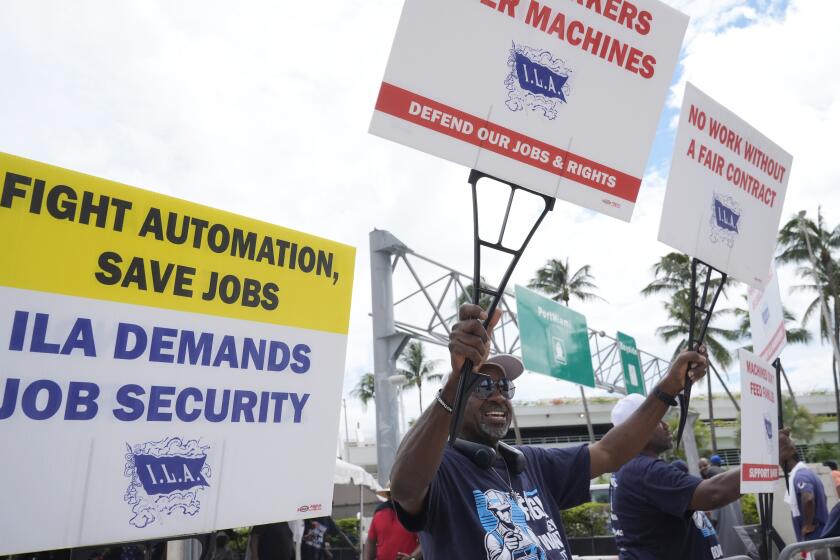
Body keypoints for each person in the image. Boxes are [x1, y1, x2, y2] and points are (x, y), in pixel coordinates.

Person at [389, 303, 710, 560]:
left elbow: (610, 452)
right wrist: (455, 383)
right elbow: (405, 486)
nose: (498, 394)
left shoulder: (532, 463)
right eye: (483, 385)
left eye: (505, 386)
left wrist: (669, 387)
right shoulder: (442, 468)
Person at [609, 392, 743, 559]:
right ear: (637, 428)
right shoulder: (643, 470)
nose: (666, 425)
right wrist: (764, 461)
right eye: (658, 420)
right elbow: (714, 493)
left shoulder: (632, 468)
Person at [779, 428, 829, 542]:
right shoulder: (807, 472)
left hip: (815, 538)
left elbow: (808, 498)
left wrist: (807, 525)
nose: (779, 463)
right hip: (818, 537)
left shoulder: (800, 476)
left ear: (787, 456)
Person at [366, 485, 422, 560]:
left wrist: (412, 558)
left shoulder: (413, 513)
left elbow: (424, 543)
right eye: (391, 494)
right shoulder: (379, 513)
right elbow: (370, 540)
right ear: (389, 495)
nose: (394, 497)